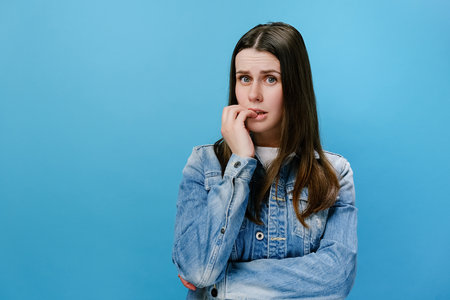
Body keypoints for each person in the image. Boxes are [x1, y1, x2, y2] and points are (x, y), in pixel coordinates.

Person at [172, 22, 357, 299]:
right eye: (244, 78)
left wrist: (220, 287)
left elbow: (336, 278)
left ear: (295, 86)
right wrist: (240, 164)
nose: (253, 94)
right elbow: (198, 270)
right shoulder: (204, 165)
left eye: (271, 79)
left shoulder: (335, 174)